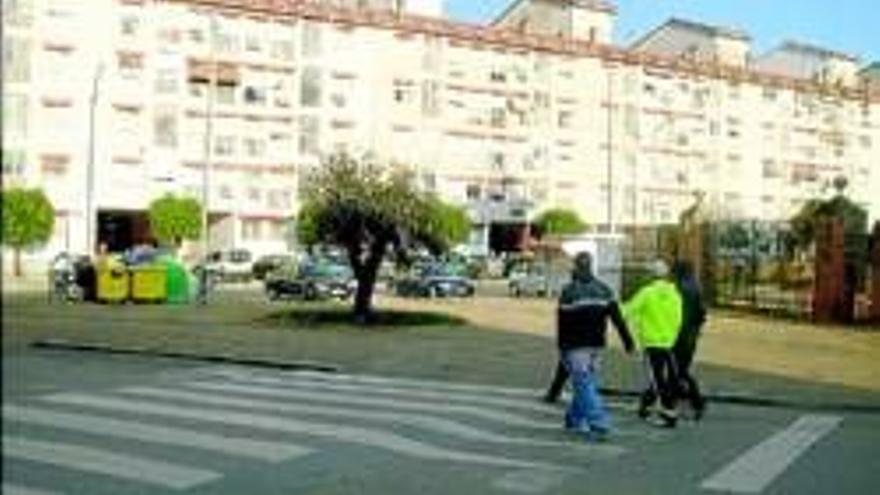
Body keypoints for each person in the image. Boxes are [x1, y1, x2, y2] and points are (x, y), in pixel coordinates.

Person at [556, 251, 635, 441]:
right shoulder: (605, 290)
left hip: (575, 346)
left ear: (575, 266)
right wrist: (628, 342)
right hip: (596, 345)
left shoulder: (568, 292)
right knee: (586, 381)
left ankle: (599, 423)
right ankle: (573, 419)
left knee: (583, 383)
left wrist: (562, 347)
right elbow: (618, 319)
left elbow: (562, 323)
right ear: (592, 266)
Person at [623, 260, 683, 428]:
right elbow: (678, 319)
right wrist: (671, 337)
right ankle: (646, 405)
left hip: (651, 343)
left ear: (652, 275)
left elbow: (627, 311)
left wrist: (613, 311)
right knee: (659, 378)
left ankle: (668, 414)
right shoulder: (675, 294)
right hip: (668, 343)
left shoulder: (647, 293)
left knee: (657, 380)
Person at [671, 260, 707, 420]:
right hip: (691, 336)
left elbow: (680, 315)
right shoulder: (695, 287)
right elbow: (701, 314)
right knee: (680, 370)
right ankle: (683, 399)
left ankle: (696, 401)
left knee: (677, 371)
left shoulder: (679, 289)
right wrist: (696, 329)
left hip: (680, 336)